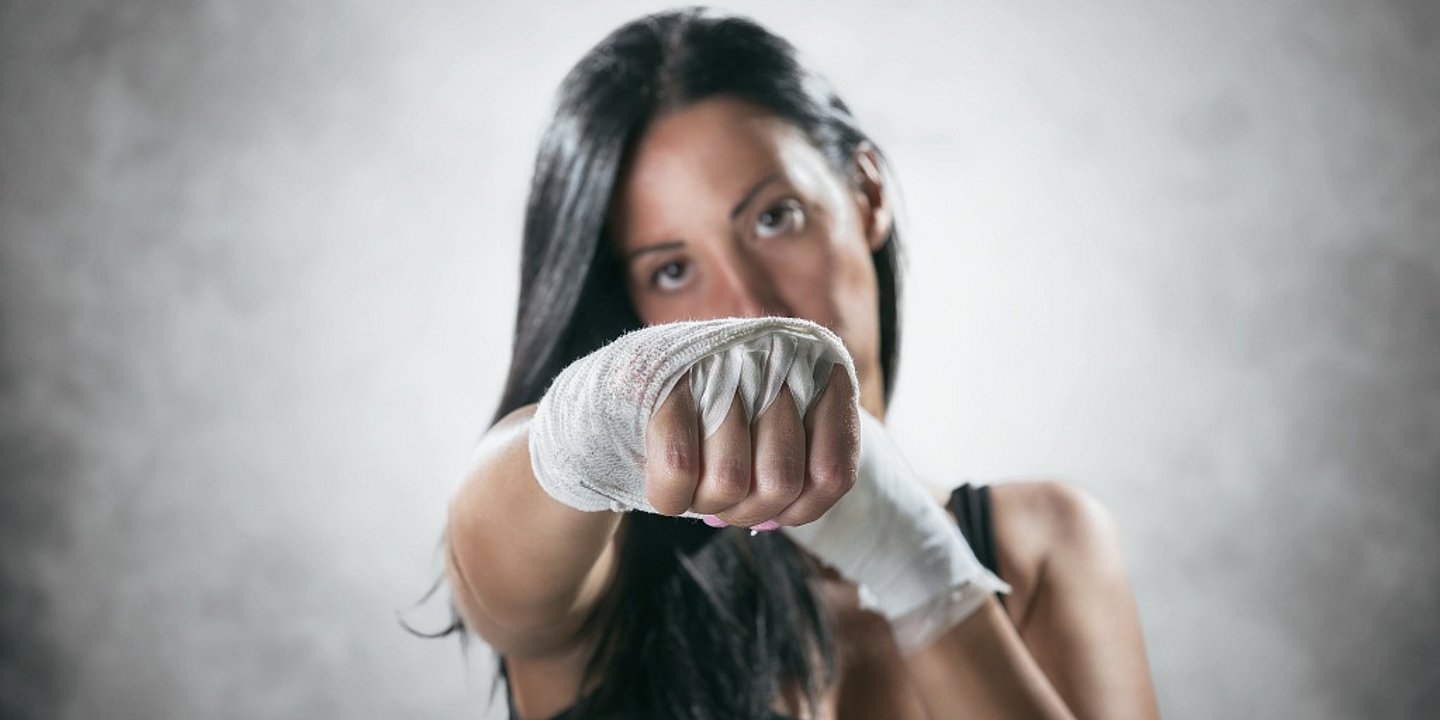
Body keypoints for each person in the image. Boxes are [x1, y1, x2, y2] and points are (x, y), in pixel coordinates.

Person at [439, 8, 1160, 719]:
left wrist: (922, 572)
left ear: (867, 193)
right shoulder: (599, 576)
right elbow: (503, 538)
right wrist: (601, 414)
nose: (748, 304)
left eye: (774, 217)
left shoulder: (1044, 546)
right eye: (671, 270)